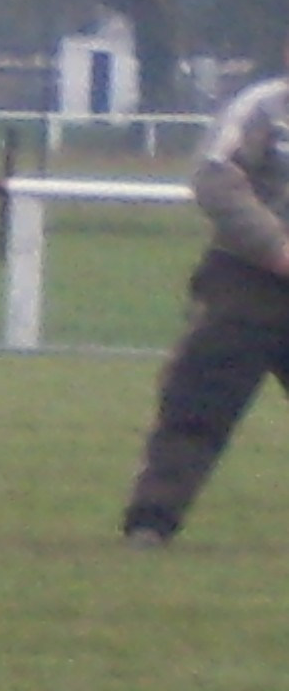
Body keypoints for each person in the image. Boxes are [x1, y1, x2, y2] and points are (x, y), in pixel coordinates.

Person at [122, 39, 289, 547]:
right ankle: (152, 523)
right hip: (247, 284)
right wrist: (277, 249)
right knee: (198, 407)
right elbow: (217, 179)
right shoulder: (264, 108)